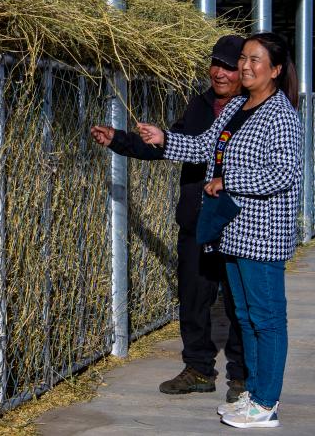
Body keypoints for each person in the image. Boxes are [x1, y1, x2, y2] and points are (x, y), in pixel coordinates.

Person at [137, 32, 302, 429]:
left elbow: (283, 173)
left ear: (276, 70)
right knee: (245, 317)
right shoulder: (238, 107)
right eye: (243, 59)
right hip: (233, 229)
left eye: (255, 60)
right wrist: (164, 140)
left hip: (263, 233)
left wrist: (230, 181)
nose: (244, 66)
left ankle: (266, 403)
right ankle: (254, 394)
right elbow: (205, 147)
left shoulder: (281, 114)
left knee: (267, 319)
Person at [90, 35, 247, 401]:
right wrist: (120, 140)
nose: (219, 73)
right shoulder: (201, 104)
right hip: (197, 220)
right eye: (215, 64)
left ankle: (241, 376)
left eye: (228, 67)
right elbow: (170, 144)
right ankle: (198, 368)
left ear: (243, 70)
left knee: (240, 301)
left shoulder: (253, 109)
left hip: (238, 221)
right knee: (193, 297)